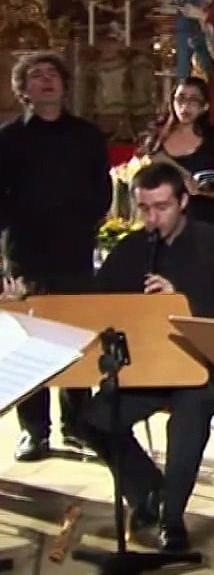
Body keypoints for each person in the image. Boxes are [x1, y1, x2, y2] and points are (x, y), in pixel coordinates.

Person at [78, 162, 214, 553]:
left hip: (204, 368)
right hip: (149, 368)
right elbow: (98, 304)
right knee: (92, 419)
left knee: (188, 418)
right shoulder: (132, 249)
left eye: (162, 207)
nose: (153, 218)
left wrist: (182, 301)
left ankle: (171, 521)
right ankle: (150, 495)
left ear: (184, 201)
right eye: (144, 208)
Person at [0, 51, 109, 461]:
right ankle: (34, 430)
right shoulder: (8, 139)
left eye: (52, 74)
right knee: (29, 343)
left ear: (64, 85)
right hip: (26, 254)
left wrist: (82, 224)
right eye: (35, 75)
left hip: (74, 252)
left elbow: (100, 191)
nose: (46, 81)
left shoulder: (85, 135)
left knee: (75, 340)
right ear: (23, 89)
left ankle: (77, 424)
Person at [144, 77, 214, 231]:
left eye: (193, 100)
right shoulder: (157, 138)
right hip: (166, 222)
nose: (185, 106)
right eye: (180, 99)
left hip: (206, 222)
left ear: (204, 106)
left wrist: (199, 189)